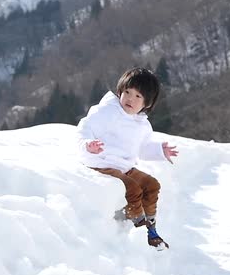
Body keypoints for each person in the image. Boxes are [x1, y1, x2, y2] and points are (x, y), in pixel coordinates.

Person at [76, 68, 178, 249]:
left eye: (138, 96)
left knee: (151, 184)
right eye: (127, 92)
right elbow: (85, 127)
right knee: (132, 187)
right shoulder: (108, 112)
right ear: (119, 92)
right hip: (102, 163)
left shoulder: (142, 124)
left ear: (147, 103)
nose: (130, 99)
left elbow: (142, 148)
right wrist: (88, 144)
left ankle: (150, 225)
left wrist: (160, 151)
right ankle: (137, 225)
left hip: (124, 167)